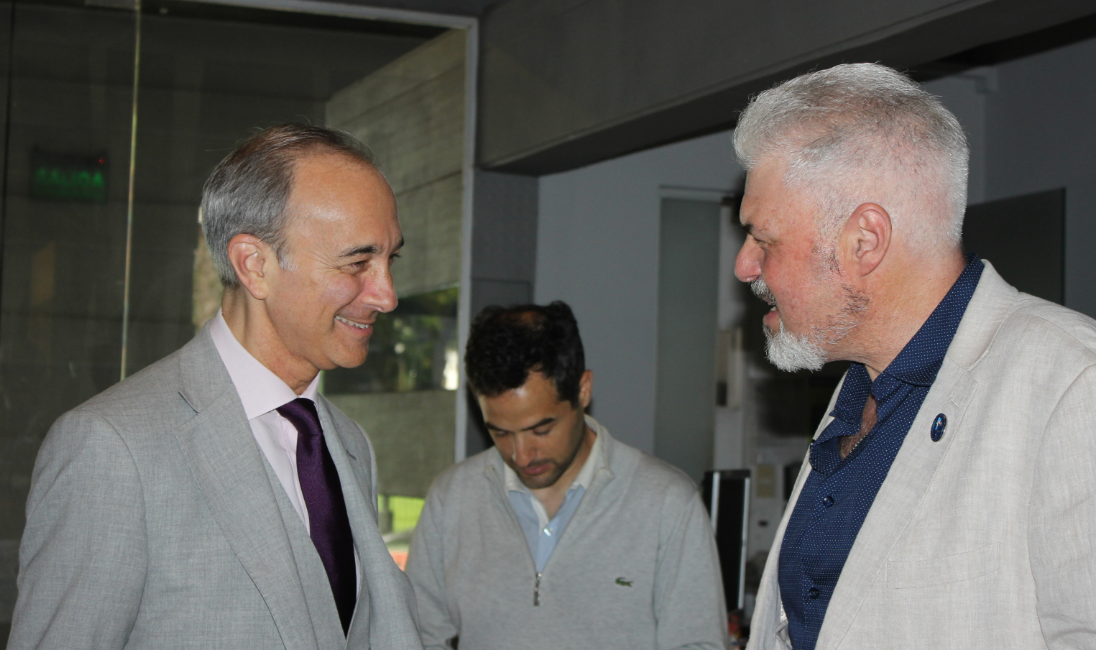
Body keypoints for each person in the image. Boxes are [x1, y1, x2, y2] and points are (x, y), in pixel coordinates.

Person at [733, 62, 1096, 649]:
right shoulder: (859, 389)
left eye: (763, 238)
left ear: (864, 241)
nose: (744, 265)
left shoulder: (1072, 380)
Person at [9, 124, 423, 649]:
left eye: (390, 260)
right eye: (358, 262)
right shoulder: (111, 448)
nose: (387, 295)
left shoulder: (348, 443)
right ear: (254, 265)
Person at [405, 301, 727, 650]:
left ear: (583, 390)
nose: (521, 455)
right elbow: (416, 636)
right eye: (500, 433)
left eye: (541, 430)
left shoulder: (667, 503)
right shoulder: (452, 498)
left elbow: (699, 643)